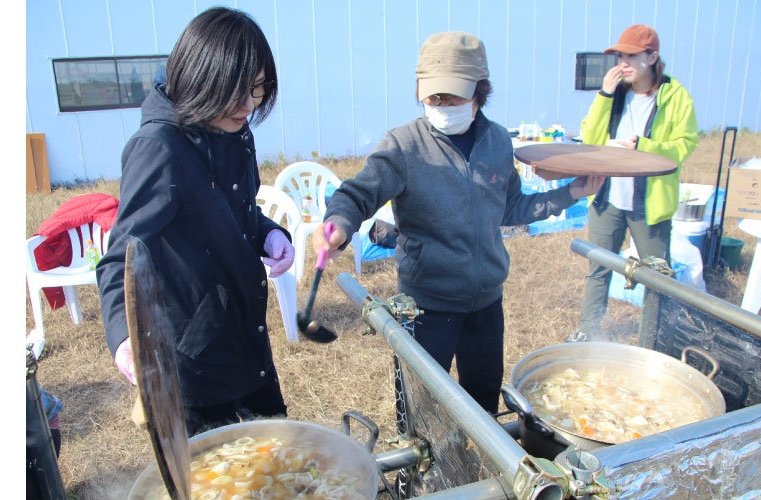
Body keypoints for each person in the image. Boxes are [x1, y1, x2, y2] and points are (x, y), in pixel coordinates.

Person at [310, 31, 603, 413]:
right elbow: (356, 193)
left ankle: (480, 469)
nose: (442, 104)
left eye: (453, 95)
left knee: (482, 402)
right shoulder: (404, 145)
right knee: (419, 408)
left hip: (486, 303)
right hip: (425, 305)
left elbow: (511, 207)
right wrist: (340, 223)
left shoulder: (498, 141)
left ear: (480, 92)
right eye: (433, 96)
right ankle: (413, 474)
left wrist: (570, 194)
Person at [96, 7, 295, 436]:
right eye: (239, 91)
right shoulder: (159, 148)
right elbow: (121, 257)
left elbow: (234, 210)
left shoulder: (234, 129)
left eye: (258, 90)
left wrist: (270, 233)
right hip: (194, 363)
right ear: (203, 78)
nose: (249, 105)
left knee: (275, 459)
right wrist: (124, 337)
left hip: (246, 340)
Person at [570, 24, 699, 342]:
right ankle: (589, 332)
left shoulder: (675, 96)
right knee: (598, 266)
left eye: (630, 56)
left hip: (649, 205)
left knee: (656, 277)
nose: (622, 63)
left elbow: (684, 146)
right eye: (619, 56)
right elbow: (590, 137)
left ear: (652, 57)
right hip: (607, 198)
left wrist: (644, 146)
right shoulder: (614, 94)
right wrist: (604, 95)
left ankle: (652, 338)